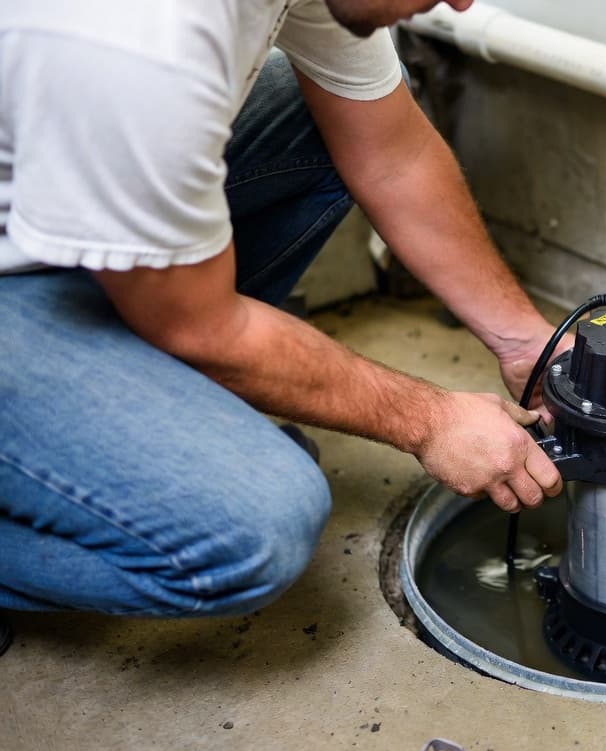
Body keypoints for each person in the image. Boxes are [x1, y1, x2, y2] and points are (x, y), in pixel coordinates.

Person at [0, 0, 568, 635]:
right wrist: (432, 421)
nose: (462, 3)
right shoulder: (145, 39)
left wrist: (525, 341)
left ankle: (137, 428)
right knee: (253, 527)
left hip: (43, 221)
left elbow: (393, 153)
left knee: (324, 107)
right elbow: (201, 328)